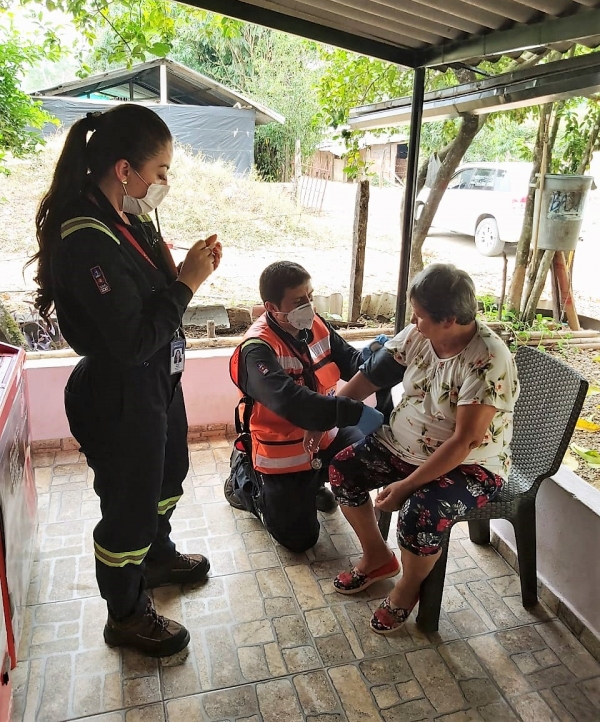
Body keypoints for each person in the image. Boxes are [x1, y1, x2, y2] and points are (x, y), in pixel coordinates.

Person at [29, 104, 222, 657]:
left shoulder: (127, 217)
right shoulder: (85, 237)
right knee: (128, 509)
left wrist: (187, 268)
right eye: (159, 170)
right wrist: (186, 283)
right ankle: (126, 614)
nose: (164, 181)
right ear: (123, 169)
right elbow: (132, 338)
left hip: (155, 382)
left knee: (168, 477)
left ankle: (156, 556)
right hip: (119, 393)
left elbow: (153, 297)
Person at [328, 263, 519, 634]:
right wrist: (326, 416)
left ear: (450, 319)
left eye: (420, 317)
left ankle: (408, 588)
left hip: (470, 464)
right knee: (343, 469)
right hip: (402, 444)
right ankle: (377, 556)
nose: (414, 323)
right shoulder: (421, 336)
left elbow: (464, 441)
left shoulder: (488, 361)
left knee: (419, 512)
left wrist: (407, 485)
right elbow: (370, 377)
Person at [226, 261, 384, 552]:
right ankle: (244, 478)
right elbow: (293, 403)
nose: (309, 305)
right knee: (300, 540)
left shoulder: (315, 325)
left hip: (326, 437)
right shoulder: (257, 350)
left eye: (310, 296)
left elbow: (350, 362)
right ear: (272, 307)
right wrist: (355, 411)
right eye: (299, 301)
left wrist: (380, 357)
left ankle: (313, 483)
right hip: (282, 454)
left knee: (367, 456)